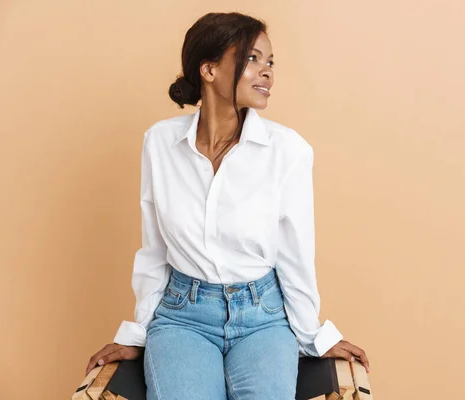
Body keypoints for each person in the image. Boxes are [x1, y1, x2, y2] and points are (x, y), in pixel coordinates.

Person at [85, 12, 370, 399]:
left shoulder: (289, 152)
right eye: (253, 59)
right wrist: (137, 333)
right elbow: (154, 251)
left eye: (270, 62)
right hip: (182, 317)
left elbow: (295, 255)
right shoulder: (159, 144)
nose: (267, 72)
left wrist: (314, 334)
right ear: (209, 69)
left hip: (264, 319)